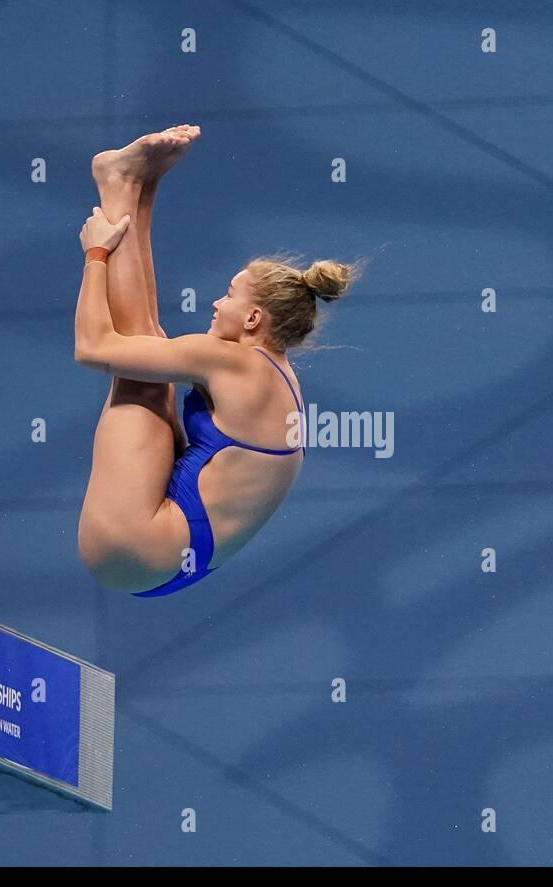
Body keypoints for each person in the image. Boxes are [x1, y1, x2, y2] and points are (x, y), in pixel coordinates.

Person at [72, 125, 361, 596]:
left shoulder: (234, 363)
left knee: (142, 376)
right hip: (168, 564)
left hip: (135, 545)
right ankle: (129, 186)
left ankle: (119, 184)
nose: (214, 304)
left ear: (251, 317)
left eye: (226, 295)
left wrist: (97, 255)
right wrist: (148, 188)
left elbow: (93, 347)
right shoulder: (276, 376)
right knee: (151, 355)